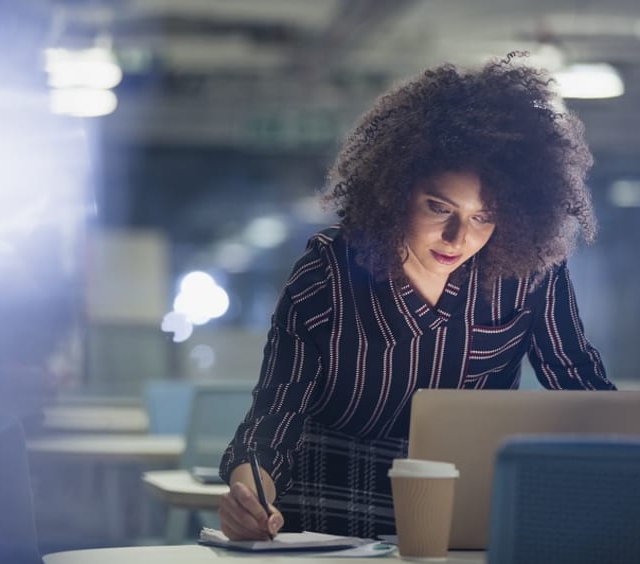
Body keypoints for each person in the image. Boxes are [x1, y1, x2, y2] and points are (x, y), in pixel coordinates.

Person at [217, 52, 617, 541]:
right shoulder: (328, 274)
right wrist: (251, 493)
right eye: (438, 206)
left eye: (482, 217)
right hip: (326, 522)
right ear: (395, 188)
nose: (456, 237)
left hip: (463, 516)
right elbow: (275, 414)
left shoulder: (531, 274)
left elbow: (583, 388)